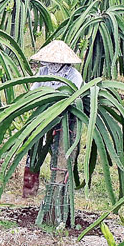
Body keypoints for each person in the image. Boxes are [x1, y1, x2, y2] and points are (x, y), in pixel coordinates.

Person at [23, 40, 83, 198]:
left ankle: (58, 193)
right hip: (43, 114)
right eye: (50, 61)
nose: (52, 65)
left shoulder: (73, 76)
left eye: (55, 62)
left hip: (65, 118)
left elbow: (76, 97)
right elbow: (34, 91)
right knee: (33, 149)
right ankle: (29, 191)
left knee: (60, 152)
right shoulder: (44, 72)